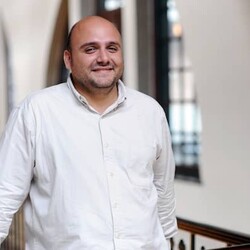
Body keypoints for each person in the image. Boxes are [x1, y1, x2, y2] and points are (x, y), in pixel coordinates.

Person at [0, 16, 177, 249]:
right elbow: (5, 194)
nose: (104, 58)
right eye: (90, 49)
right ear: (68, 59)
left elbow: (162, 189)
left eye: (112, 48)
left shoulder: (150, 111)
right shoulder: (34, 111)